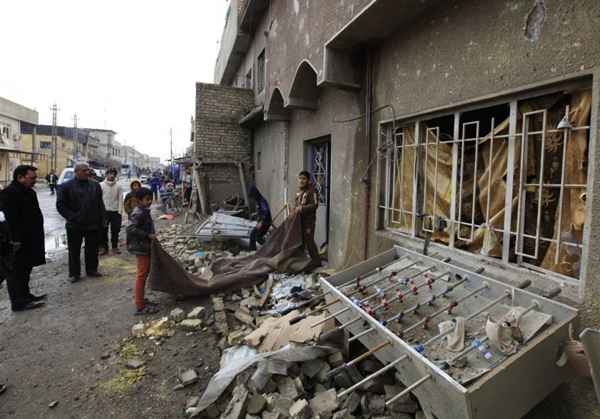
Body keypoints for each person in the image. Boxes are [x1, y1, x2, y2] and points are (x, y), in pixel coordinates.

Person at [0, 165, 46, 311]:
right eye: (31, 178)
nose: (34, 181)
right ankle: (18, 302)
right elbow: (10, 221)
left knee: (26, 268)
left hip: (30, 239)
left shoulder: (29, 192)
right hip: (16, 242)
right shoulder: (9, 193)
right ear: (20, 177)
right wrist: (14, 241)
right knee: (15, 272)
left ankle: (26, 295)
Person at [57, 162, 105, 283]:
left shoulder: (95, 185)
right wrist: (72, 217)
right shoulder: (66, 186)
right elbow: (60, 205)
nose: (87, 172)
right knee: (74, 250)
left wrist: (102, 220)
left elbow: (100, 204)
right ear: (76, 172)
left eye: (88, 170)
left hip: (92, 223)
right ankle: (74, 274)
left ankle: (92, 269)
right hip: (75, 224)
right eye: (84, 170)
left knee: (92, 248)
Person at [126, 187, 159, 315]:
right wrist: (147, 235)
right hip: (141, 248)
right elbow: (130, 229)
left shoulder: (144, 210)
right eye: (147, 199)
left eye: (151, 199)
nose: (150, 201)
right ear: (139, 200)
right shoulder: (138, 212)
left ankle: (141, 299)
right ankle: (140, 306)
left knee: (144, 274)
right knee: (141, 275)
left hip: (144, 246)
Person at [294, 170, 321, 269]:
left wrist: (302, 208)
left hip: (308, 222)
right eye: (300, 178)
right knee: (300, 241)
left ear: (308, 180)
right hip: (299, 221)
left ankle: (316, 261)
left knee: (309, 241)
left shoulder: (312, 191)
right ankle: (302, 261)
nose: (301, 180)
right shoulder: (299, 191)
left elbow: (315, 205)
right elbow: (297, 205)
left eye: (304, 179)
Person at [100, 168, 124, 255]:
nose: (112, 175)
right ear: (106, 174)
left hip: (115, 212)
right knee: (103, 230)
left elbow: (121, 199)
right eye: (110, 173)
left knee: (115, 230)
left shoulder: (119, 186)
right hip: (104, 212)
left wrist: (120, 212)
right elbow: (99, 199)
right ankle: (104, 248)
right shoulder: (101, 185)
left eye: (113, 174)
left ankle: (114, 247)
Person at [248, 186, 272, 251]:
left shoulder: (262, 201)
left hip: (265, 222)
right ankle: (253, 251)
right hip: (263, 221)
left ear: (255, 195)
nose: (252, 199)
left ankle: (270, 248)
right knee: (254, 235)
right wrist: (255, 214)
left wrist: (261, 222)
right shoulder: (259, 201)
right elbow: (261, 211)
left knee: (256, 236)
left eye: (252, 197)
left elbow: (266, 212)